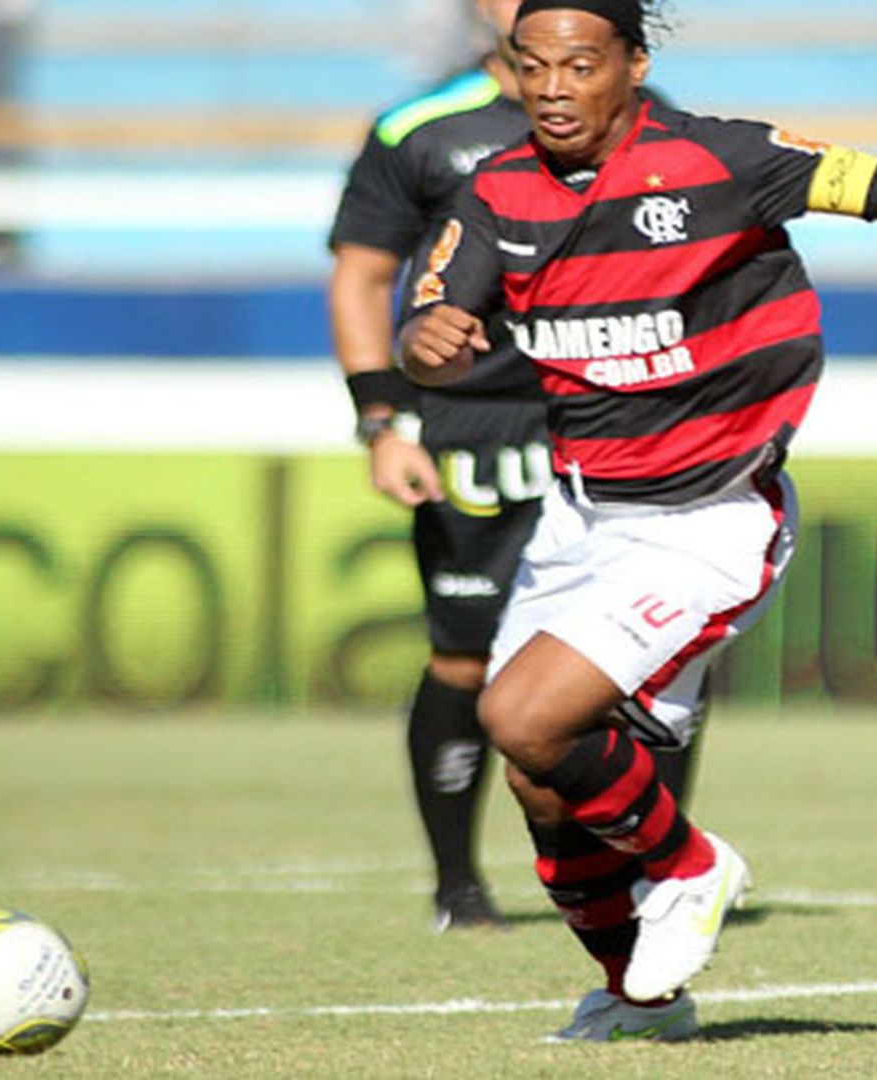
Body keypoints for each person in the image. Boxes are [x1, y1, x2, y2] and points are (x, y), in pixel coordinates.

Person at [400, 1, 877, 1042]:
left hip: (710, 517)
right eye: (534, 67)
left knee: (521, 718)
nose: (555, 86)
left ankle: (691, 866)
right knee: (539, 782)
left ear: (633, 64)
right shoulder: (498, 189)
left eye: (580, 63)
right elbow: (435, 310)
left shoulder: (721, 157)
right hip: (578, 515)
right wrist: (428, 336)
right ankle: (638, 996)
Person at [329, 0, 700, 935]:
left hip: (612, 416)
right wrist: (384, 421)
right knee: (464, 656)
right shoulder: (420, 130)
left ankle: (656, 867)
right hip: (474, 428)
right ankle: (458, 887)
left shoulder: (651, 123)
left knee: (650, 654)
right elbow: (364, 276)